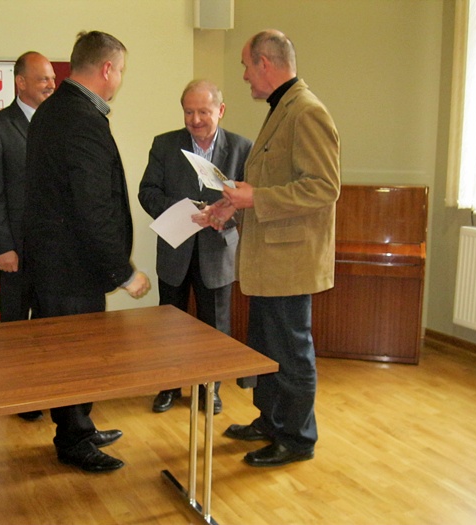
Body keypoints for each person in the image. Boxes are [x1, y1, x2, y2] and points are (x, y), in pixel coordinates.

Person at [201, 29, 340, 467]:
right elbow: (273, 183)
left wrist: (255, 197)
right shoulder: (283, 108)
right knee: (265, 347)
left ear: (265, 63)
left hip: (289, 261)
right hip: (268, 258)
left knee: (291, 352)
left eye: (246, 66)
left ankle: (297, 438)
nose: (244, 75)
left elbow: (324, 187)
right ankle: (270, 420)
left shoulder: (307, 111)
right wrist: (233, 204)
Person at [23, 31, 150, 473]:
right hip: (71, 269)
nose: (120, 79)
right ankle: (74, 441)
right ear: (107, 69)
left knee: (73, 355)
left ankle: (79, 426)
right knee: (74, 358)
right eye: (122, 70)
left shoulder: (53, 110)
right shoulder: (81, 119)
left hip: (58, 265)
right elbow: (92, 206)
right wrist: (123, 272)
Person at [139, 80, 251, 415]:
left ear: (221, 110)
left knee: (215, 326)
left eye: (203, 111)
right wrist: (183, 210)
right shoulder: (164, 144)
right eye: (189, 112)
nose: (195, 119)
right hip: (175, 248)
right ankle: (169, 387)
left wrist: (222, 217)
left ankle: (209, 389)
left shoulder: (242, 148)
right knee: (169, 325)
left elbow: (249, 201)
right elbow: (148, 192)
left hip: (217, 250)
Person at [0, 51, 56, 422]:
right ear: (21, 82)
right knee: (15, 328)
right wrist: (3, 247)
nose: (51, 85)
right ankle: (21, 397)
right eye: (42, 79)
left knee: (50, 326)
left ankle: (49, 391)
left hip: (54, 251)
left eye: (52, 78)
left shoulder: (58, 125)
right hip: (16, 253)